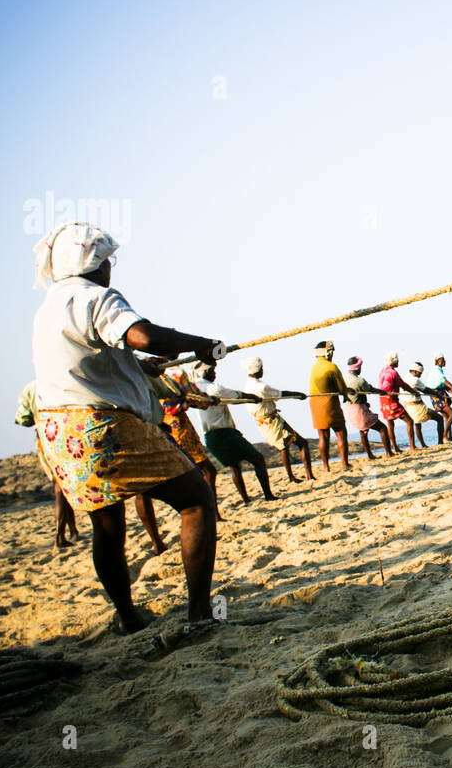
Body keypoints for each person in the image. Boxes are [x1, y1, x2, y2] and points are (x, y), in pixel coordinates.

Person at [31, 222, 221, 633]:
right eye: (108, 261)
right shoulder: (96, 296)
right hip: (102, 427)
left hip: (61, 433)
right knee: (197, 500)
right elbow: (144, 335)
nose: (111, 269)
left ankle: (128, 618)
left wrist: (139, 366)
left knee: (108, 526)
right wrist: (199, 343)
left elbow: (85, 362)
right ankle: (200, 614)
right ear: (96, 264)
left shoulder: (48, 307)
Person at [148, 364, 228, 521]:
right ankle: (213, 515)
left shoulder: (142, 368)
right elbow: (195, 397)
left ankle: (156, 542)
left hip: (153, 425)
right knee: (206, 470)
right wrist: (209, 400)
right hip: (177, 425)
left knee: (145, 490)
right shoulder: (175, 372)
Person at [191, 362, 277, 503]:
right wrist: (252, 398)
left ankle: (246, 499)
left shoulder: (194, 387)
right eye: (212, 371)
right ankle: (268, 495)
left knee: (234, 466)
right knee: (258, 459)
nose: (215, 374)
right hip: (224, 432)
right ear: (205, 373)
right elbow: (235, 396)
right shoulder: (212, 388)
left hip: (210, 435)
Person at [16, 380, 78, 546]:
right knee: (63, 486)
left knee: (59, 486)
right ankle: (61, 534)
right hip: (66, 434)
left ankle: (70, 531)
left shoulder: (30, 388)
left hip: (44, 438)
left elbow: (23, 419)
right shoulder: (58, 382)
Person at [242, 357, 314, 483]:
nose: (263, 370)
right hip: (271, 420)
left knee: (285, 447)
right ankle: (303, 476)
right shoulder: (261, 386)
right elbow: (280, 393)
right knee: (294, 445)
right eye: (261, 368)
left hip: (264, 421)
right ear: (257, 370)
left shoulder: (247, 386)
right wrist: (297, 395)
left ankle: (295, 476)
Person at [308, 340, 350, 472]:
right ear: (328, 352)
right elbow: (342, 387)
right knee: (341, 433)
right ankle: (344, 464)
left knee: (323, 436)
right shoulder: (331, 367)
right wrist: (346, 395)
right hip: (329, 402)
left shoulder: (314, 367)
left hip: (315, 403)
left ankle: (326, 466)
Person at [342, 356, 396, 458]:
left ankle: (370, 455)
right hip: (359, 410)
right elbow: (370, 389)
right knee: (382, 428)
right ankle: (389, 452)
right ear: (358, 368)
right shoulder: (359, 381)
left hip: (350, 410)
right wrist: (383, 392)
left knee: (363, 432)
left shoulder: (343, 379)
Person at [377, 352, 419, 451]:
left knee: (390, 424)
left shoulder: (382, 371)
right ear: (394, 361)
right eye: (398, 360)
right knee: (410, 421)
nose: (399, 362)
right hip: (391, 400)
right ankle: (412, 446)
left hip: (383, 400)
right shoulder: (393, 372)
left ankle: (395, 447)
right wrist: (414, 392)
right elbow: (403, 385)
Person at [419, 353, 452, 441]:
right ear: (439, 361)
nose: (444, 361)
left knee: (447, 416)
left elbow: (445, 386)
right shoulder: (436, 370)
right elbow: (446, 382)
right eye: (443, 360)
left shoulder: (438, 370)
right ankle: (444, 436)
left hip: (438, 393)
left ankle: (449, 438)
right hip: (436, 395)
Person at [404, 361, 445, 446]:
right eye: (420, 373)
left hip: (408, 406)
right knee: (440, 418)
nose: (420, 375)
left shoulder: (404, 378)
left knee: (417, 424)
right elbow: (426, 390)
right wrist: (438, 395)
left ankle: (423, 445)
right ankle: (440, 442)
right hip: (417, 406)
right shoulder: (415, 380)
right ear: (415, 371)